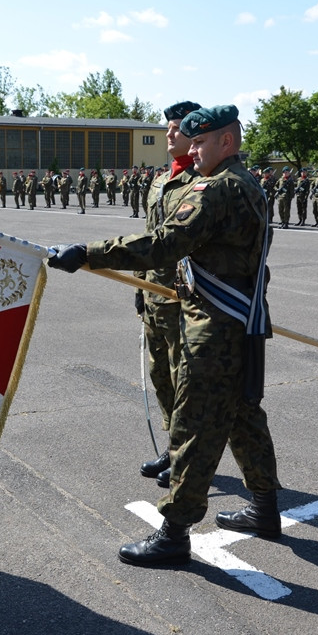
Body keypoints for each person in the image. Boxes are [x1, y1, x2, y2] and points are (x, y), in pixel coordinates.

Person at [48, 105, 281, 567]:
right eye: (190, 142)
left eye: (200, 142)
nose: (192, 151)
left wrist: (87, 254)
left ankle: (174, 534)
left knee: (194, 425)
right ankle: (265, 507)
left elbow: (163, 244)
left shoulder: (217, 189)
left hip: (213, 325)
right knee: (241, 417)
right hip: (240, 319)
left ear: (226, 143)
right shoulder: (247, 183)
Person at [137, 101, 202, 485]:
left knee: (185, 381)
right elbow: (148, 237)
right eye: (168, 128)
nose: (169, 134)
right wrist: (140, 286)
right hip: (152, 294)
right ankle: (172, 446)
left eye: (177, 128)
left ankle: (187, 456)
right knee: (160, 374)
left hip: (183, 298)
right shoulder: (160, 181)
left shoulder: (202, 181)